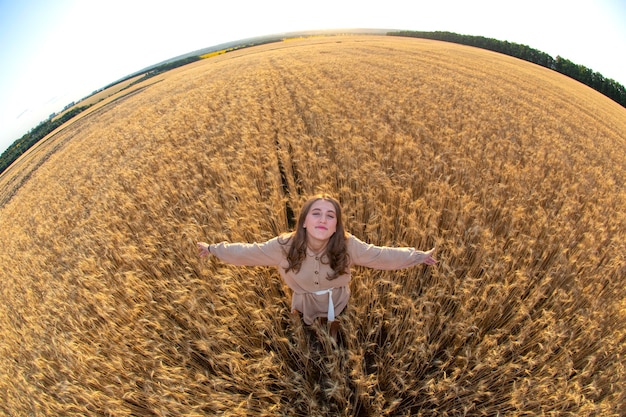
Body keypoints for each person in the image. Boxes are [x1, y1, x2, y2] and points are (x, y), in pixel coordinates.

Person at [197, 194, 436, 340]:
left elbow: (380, 256)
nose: (323, 219)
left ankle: (332, 336)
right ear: (303, 221)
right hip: (304, 300)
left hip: (336, 299)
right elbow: (247, 252)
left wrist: (417, 257)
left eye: (330, 216)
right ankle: (308, 335)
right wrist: (213, 249)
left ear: (336, 226)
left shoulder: (348, 245)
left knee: (335, 322)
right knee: (304, 322)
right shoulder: (284, 246)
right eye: (316, 213)